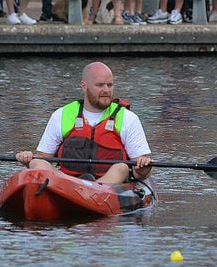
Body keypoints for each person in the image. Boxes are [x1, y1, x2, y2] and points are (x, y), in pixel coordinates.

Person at [14, 61, 152, 186]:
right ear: (84, 86)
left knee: (121, 167)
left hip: (108, 186)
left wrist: (143, 167)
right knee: (37, 162)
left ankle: (93, 189)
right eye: (100, 85)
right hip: (67, 181)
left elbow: (140, 172)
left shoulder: (128, 118)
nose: (106, 90)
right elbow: (43, 157)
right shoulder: (62, 115)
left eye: (109, 85)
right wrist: (28, 158)